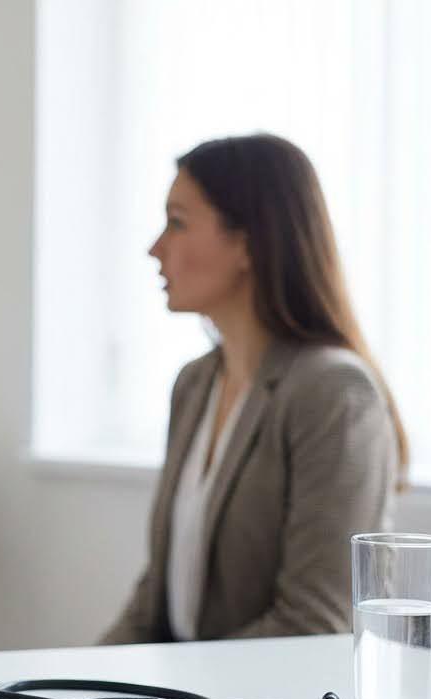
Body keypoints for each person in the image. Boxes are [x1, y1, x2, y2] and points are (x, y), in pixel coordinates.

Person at [101, 133, 405, 644]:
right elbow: (157, 599)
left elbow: (315, 624)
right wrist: (69, 688)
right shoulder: (195, 383)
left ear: (248, 242)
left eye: (177, 222)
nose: (155, 248)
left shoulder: (333, 393)